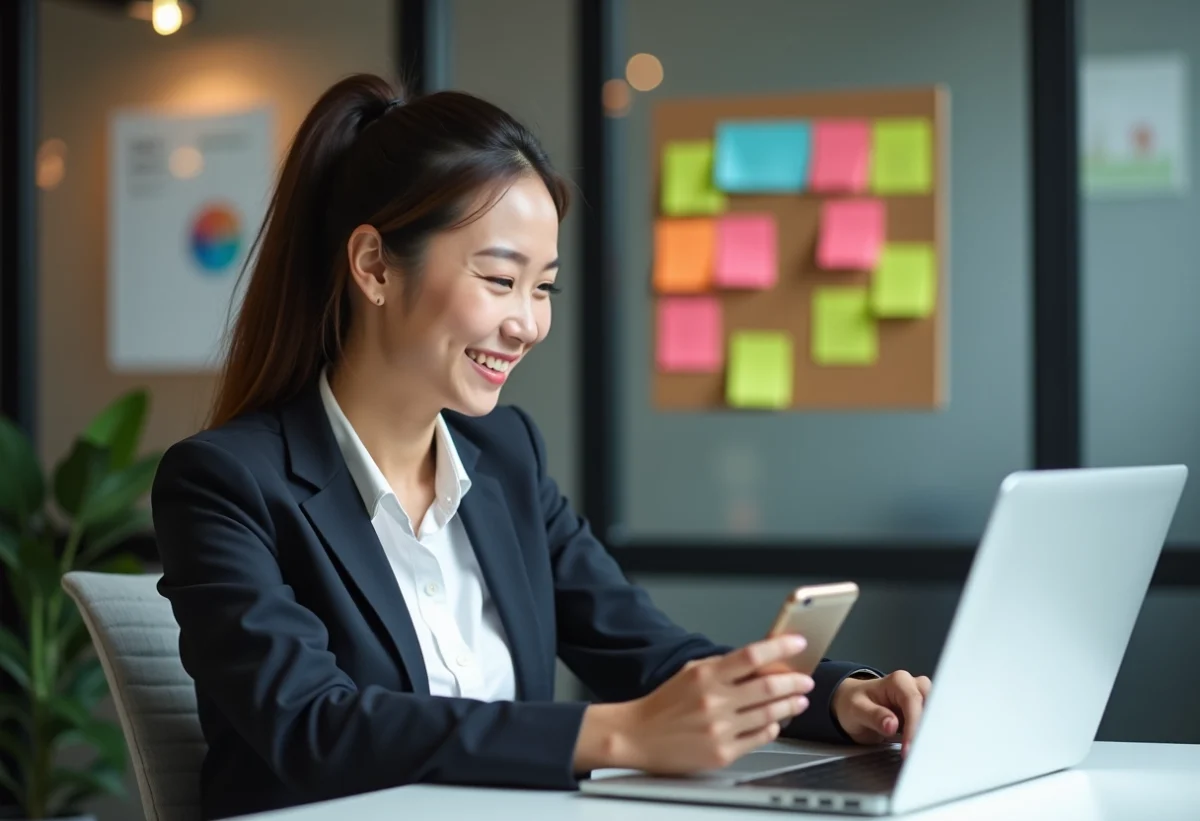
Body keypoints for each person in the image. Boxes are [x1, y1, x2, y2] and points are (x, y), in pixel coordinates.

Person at [151, 73, 932, 821]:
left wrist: (831, 696)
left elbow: (645, 651)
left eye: (544, 286)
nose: (528, 323)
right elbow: (314, 726)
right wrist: (615, 735)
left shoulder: (506, 458)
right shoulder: (226, 483)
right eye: (500, 279)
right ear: (373, 265)